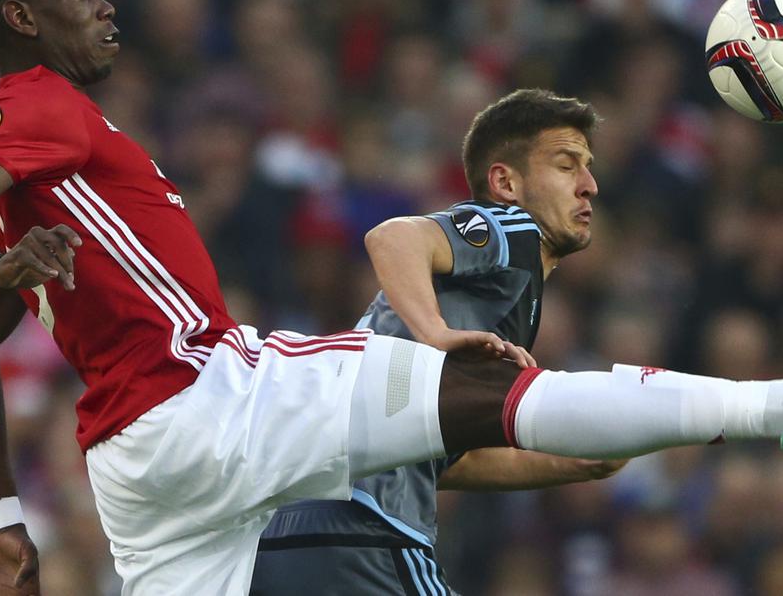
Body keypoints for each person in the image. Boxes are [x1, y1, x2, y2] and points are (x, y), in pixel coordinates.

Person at [0, 0, 783, 596]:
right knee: (475, 380)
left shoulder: (37, 192)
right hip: (203, 396)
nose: (103, 5)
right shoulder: (39, 108)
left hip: (136, 477)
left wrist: (2, 522)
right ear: (24, 19)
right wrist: (432, 337)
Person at [252, 91, 625, 595]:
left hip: (291, 526)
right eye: (566, 166)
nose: (589, 186)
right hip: (372, 528)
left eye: (588, 167)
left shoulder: (498, 294)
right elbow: (392, 237)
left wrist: (572, 464)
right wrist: (435, 332)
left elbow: (444, 459)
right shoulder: (511, 229)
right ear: (505, 182)